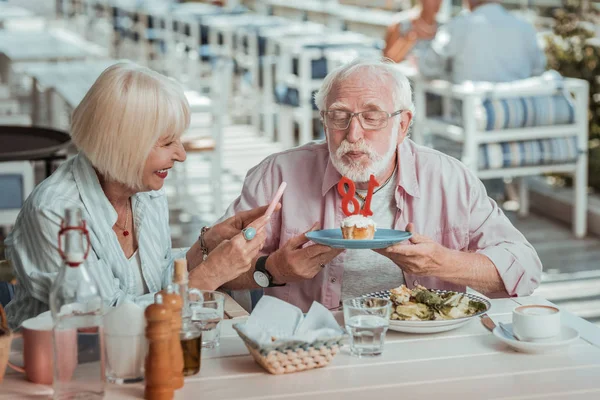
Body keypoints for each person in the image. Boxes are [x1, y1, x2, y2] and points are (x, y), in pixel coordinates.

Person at [213, 58, 542, 312]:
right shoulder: (277, 175)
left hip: (422, 346)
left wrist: (441, 263)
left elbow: (525, 269)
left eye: (372, 118)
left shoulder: (449, 179)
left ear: (403, 124)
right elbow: (209, 268)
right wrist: (272, 270)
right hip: (308, 348)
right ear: (324, 121)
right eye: (339, 117)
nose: (352, 134)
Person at [5, 62, 273, 329]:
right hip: (65, 362)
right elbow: (103, 323)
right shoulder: (55, 213)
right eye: (168, 143)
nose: (181, 155)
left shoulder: (145, 193)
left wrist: (206, 244)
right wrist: (209, 275)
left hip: (140, 356)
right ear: (126, 146)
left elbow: (155, 283)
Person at [417, 0, 546, 83]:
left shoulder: (458, 25)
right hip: (516, 114)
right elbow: (538, 69)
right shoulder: (524, 26)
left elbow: (428, 68)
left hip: (470, 116)